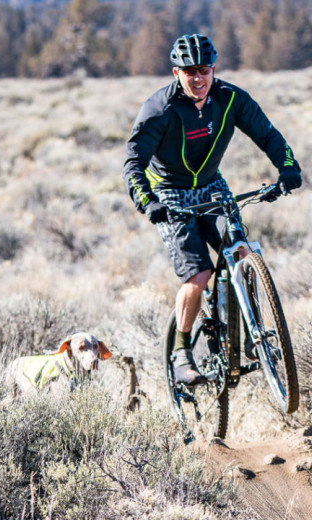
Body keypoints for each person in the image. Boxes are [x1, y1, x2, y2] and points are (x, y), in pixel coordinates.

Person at [123, 34, 301, 385]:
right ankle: (181, 353)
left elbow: (267, 134)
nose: (198, 79)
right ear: (177, 73)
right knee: (199, 274)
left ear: (213, 69)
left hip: (211, 186)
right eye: (189, 72)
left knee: (240, 249)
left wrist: (288, 167)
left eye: (203, 70)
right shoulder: (160, 109)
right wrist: (148, 202)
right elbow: (133, 162)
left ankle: (252, 334)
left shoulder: (230, 98)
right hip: (170, 194)